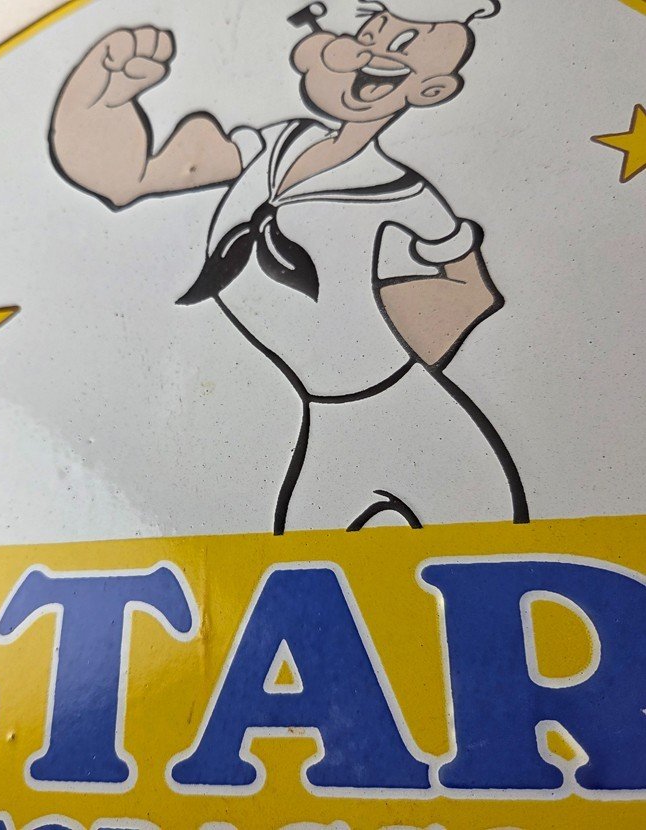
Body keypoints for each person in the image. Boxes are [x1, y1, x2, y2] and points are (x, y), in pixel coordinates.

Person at [49, 0, 529, 534]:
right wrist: (101, 99)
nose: (364, 52)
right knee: (298, 574)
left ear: (430, 90)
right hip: (327, 422)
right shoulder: (273, 145)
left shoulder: (401, 192)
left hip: (415, 414)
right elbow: (129, 179)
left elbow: (472, 287)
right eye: (368, 33)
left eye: (399, 48)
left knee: (495, 560)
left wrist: (386, 334)